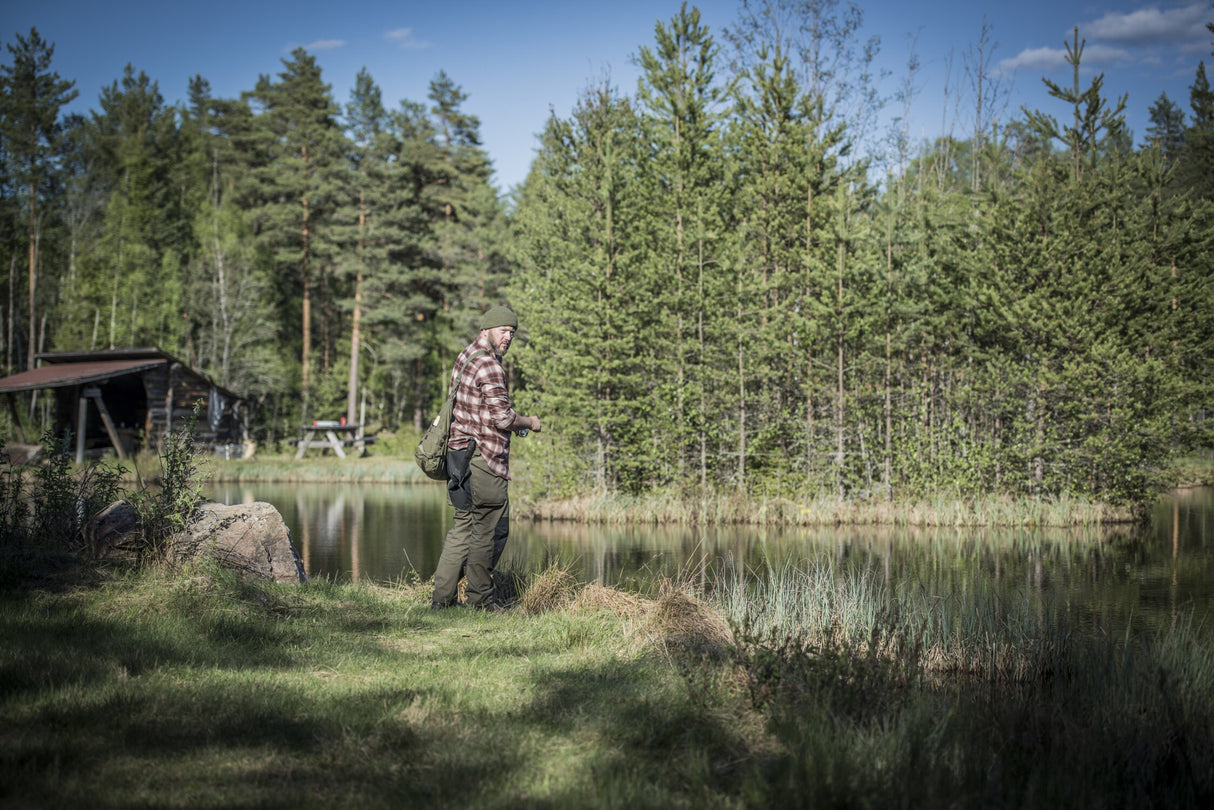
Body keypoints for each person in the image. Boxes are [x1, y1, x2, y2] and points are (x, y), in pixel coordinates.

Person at [431, 305, 541, 609]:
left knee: (462, 528)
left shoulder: (466, 355)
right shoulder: (490, 366)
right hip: (484, 459)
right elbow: (503, 419)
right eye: (504, 330)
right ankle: (480, 601)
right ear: (487, 329)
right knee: (488, 529)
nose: (508, 337)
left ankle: (442, 601)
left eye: (512, 332)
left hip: (457, 456)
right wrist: (530, 422)